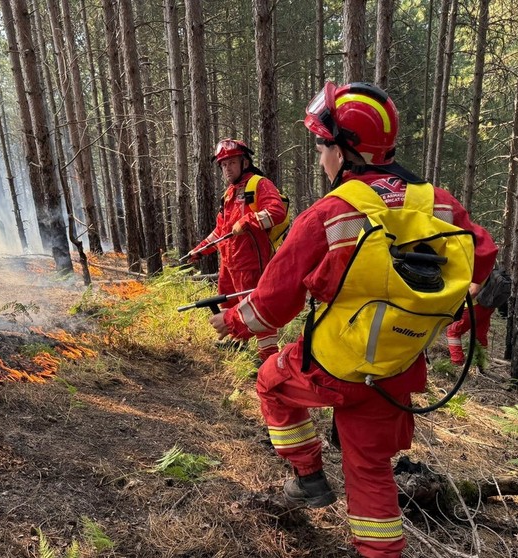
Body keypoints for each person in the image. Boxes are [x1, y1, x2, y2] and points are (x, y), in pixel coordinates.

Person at [209, 82, 498, 558]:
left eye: (323, 145)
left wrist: (234, 322)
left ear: (345, 151)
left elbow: (273, 306)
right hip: (396, 367)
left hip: (334, 363)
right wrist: (462, 320)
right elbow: (482, 259)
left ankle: (307, 476)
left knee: (269, 381)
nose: (320, 156)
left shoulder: (331, 211)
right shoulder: (439, 202)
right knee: (370, 470)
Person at [190, 138, 288, 362]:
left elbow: (277, 212)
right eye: (223, 165)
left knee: (255, 309)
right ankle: (238, 343)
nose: (227, 169)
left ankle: (268, 359)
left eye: (231, 163)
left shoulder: (259, 184)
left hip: (251, 263)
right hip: (229, 264)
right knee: (230, 306)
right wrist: (200, 250)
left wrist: (249, 220)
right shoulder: (229, 194)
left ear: (244, 162)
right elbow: (220, 231)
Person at [446, 267, 511, 365]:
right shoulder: (486, 263)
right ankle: (480, 362)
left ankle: (457, 361)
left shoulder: (476, 266)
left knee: (453, 331)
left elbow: (474, 290)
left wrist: (460, 302)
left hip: (474, 305)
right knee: (480, 335)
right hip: (487, 305)